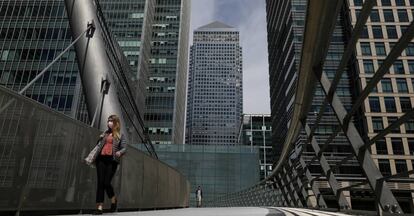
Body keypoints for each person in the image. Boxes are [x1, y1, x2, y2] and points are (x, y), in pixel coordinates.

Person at [93, 115, 126, 215]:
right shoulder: (105, 133)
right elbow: (98, 145)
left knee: (107, 183)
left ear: (115, 123)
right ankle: (99, 207)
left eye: (111, 121)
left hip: (112, 161)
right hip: (101, 159)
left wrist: (120, 152)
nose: (109, 123)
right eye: (108, 121)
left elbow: (124, 147)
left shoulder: (120, 135)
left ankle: (113, 199)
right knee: (100, 183)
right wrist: (100, 139)